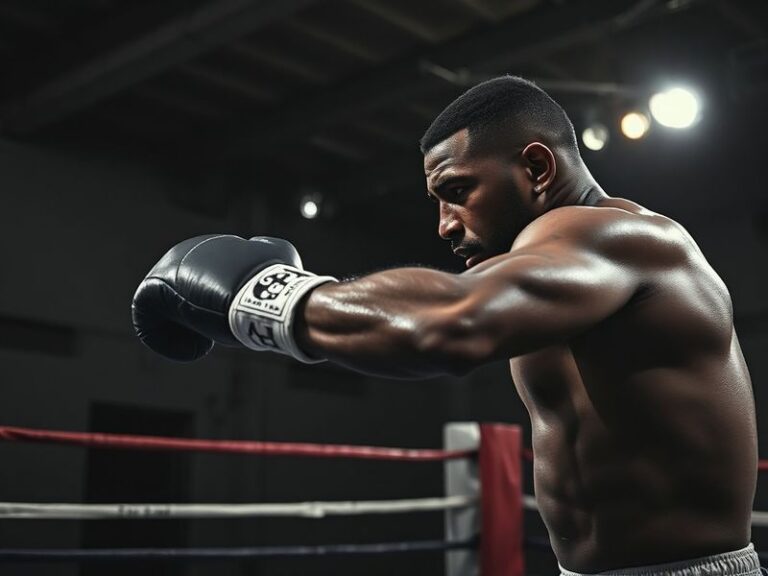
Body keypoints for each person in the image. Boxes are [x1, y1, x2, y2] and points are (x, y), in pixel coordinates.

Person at [132, 76, 758, 575]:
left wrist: (262, 294)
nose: (445, 225)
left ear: (537, 170)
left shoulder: (622, 240)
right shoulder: (553, 267)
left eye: (458, 190)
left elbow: (447, 326)